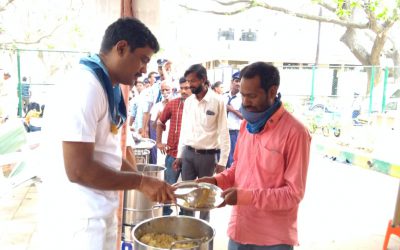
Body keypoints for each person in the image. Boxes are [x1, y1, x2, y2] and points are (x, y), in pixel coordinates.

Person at [39, 17, 175, 250]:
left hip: (98, 213)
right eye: (142, 60)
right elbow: (79, 170)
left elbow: (106, 154)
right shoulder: (85, 87)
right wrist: (141, 181)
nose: (144, 70)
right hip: (79, 220)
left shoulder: (105, 86)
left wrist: (146, 183)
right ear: (121, 48)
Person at [198, 62, 311, 250]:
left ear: (272, 91)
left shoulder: (295, 132)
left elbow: (293, 194)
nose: (245, 103)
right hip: (239, 231)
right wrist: (216, 182)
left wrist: (244, 197)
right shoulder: (246, 125)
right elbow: (238, 168)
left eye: (252, 96)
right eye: (243, 95)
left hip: (273, 239)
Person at [173, 64, 230, 221]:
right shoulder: (189, 102)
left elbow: (224, 133)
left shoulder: (218, 101)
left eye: (193, 81)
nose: (190, 85)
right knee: (187, 197)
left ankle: (204, 238)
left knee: (206, 199)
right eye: (188, 81)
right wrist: (179, 155)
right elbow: (184, 129)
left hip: (208, 157)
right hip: (188, 155)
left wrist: (223, 161)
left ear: (203, 80)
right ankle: (188, 233)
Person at [156, 76, 192, 215]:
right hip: (172, 153)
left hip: (190, 155)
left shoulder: (197, 105)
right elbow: (160, 123)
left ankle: (186, 217)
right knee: (168, 186)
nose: (183, 91)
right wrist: (159, 142)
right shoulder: (172, 104)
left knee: (187, 189)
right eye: (181, 88)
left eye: (187, 88)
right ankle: (165, 214)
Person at [223, 71, 243, 168]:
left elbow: (244, 116)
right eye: (236, 81)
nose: (238, 83)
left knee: (232, 160)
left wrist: (232, 110)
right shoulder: (223, 96)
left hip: (234, 133)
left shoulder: (242, 98)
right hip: (222, 132)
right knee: (222, 161)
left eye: (240, 81)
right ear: (232, 82)